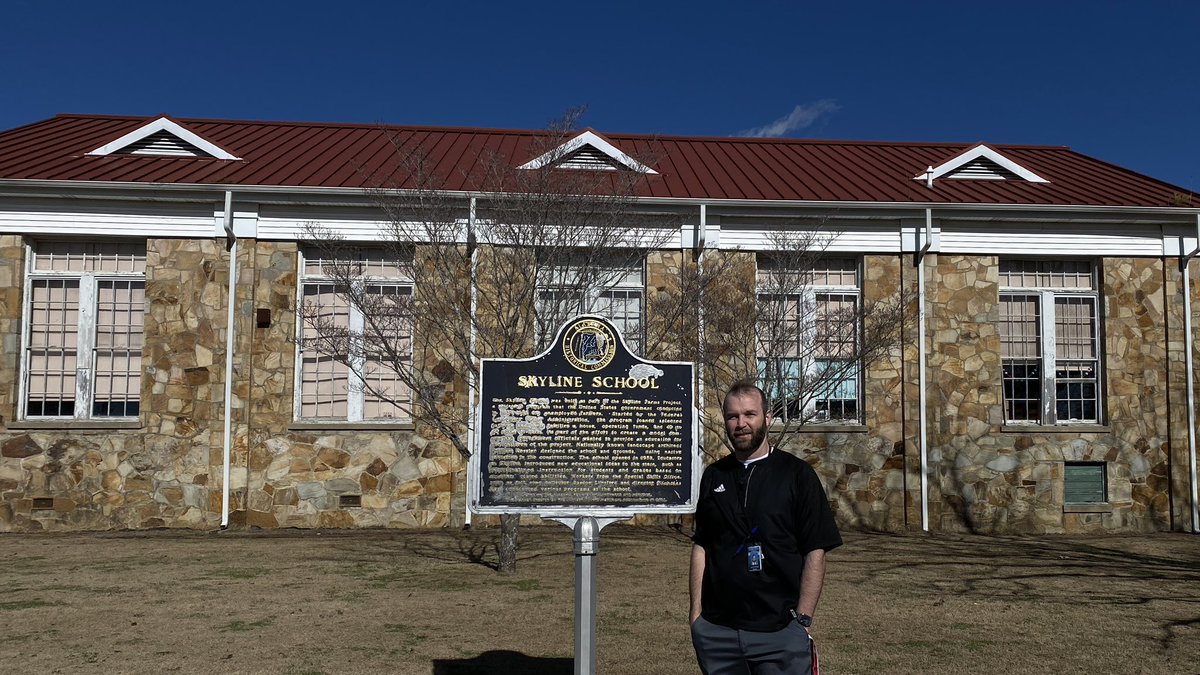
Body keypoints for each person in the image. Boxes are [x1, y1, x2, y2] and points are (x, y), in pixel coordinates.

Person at [690, 381, 843, 674]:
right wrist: (696, 614)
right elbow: (702, 545)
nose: (741, 424)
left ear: (768, 417)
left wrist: (803, 620)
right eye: (733, 416)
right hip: (718, 632)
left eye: (750, 414)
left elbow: (816, 550)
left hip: (779, 633)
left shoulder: (797, 475)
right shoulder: (714, 476)